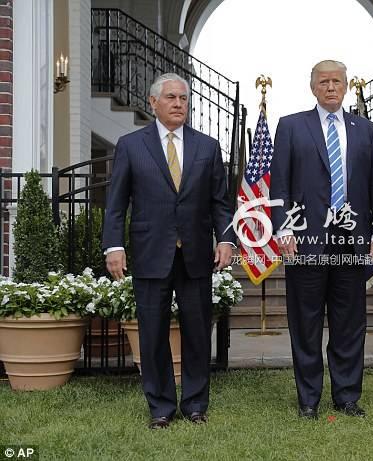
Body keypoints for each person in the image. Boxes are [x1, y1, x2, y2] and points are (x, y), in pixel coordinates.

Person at [102, 73, 236, 429]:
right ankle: (160, 407)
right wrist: (113, 245)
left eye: (184, 99)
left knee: (196, 331)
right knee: (152, 331)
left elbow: (221, 202)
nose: (179, 104)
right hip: (150, 252)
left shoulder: (208, 147)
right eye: (172, 98)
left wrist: (225, 239)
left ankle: (194, 404)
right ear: (153, 102)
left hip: (195, 255)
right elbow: (116, 204)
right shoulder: (131, 145)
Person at [270, 60, 373, 419]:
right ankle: (308, 399)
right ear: (313, 87)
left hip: (352, 240)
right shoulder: (291, 127)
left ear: (347, 85)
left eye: (337, 81)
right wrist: (283, 228)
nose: (331, 87)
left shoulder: (366, 130)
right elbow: (281, 183)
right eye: (324, 82)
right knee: (305, 323)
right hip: (306, 238)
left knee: (349, 322)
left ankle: (347, 396)